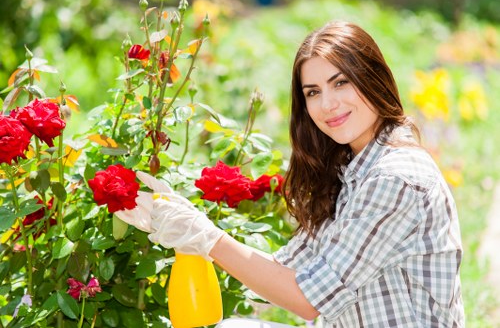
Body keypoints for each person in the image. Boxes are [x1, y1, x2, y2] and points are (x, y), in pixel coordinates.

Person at [116, 21, 465, 327]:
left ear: (373, 78)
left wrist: (206, 237)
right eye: (313, 92)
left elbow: (307, 300)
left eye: (340, 83)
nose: (327, 104)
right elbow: (288, 271)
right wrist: (190, 225)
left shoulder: (395, 178)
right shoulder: (353, 169)